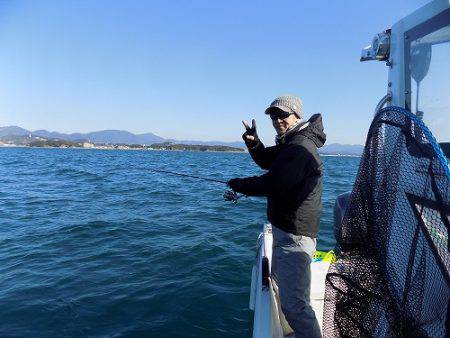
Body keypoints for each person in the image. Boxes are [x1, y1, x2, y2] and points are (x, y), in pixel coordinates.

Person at [227, 94, 325, 337]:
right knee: (282, 288)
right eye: (273, 115)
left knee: (295, 305)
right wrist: (253, 142)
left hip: (295, 234)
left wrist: (238, 184)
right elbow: (268, 161)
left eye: (283, 114)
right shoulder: (290, 143)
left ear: (296, 115)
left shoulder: (300, 147)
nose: (277, 120)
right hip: (286, 230)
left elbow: (274, 183)